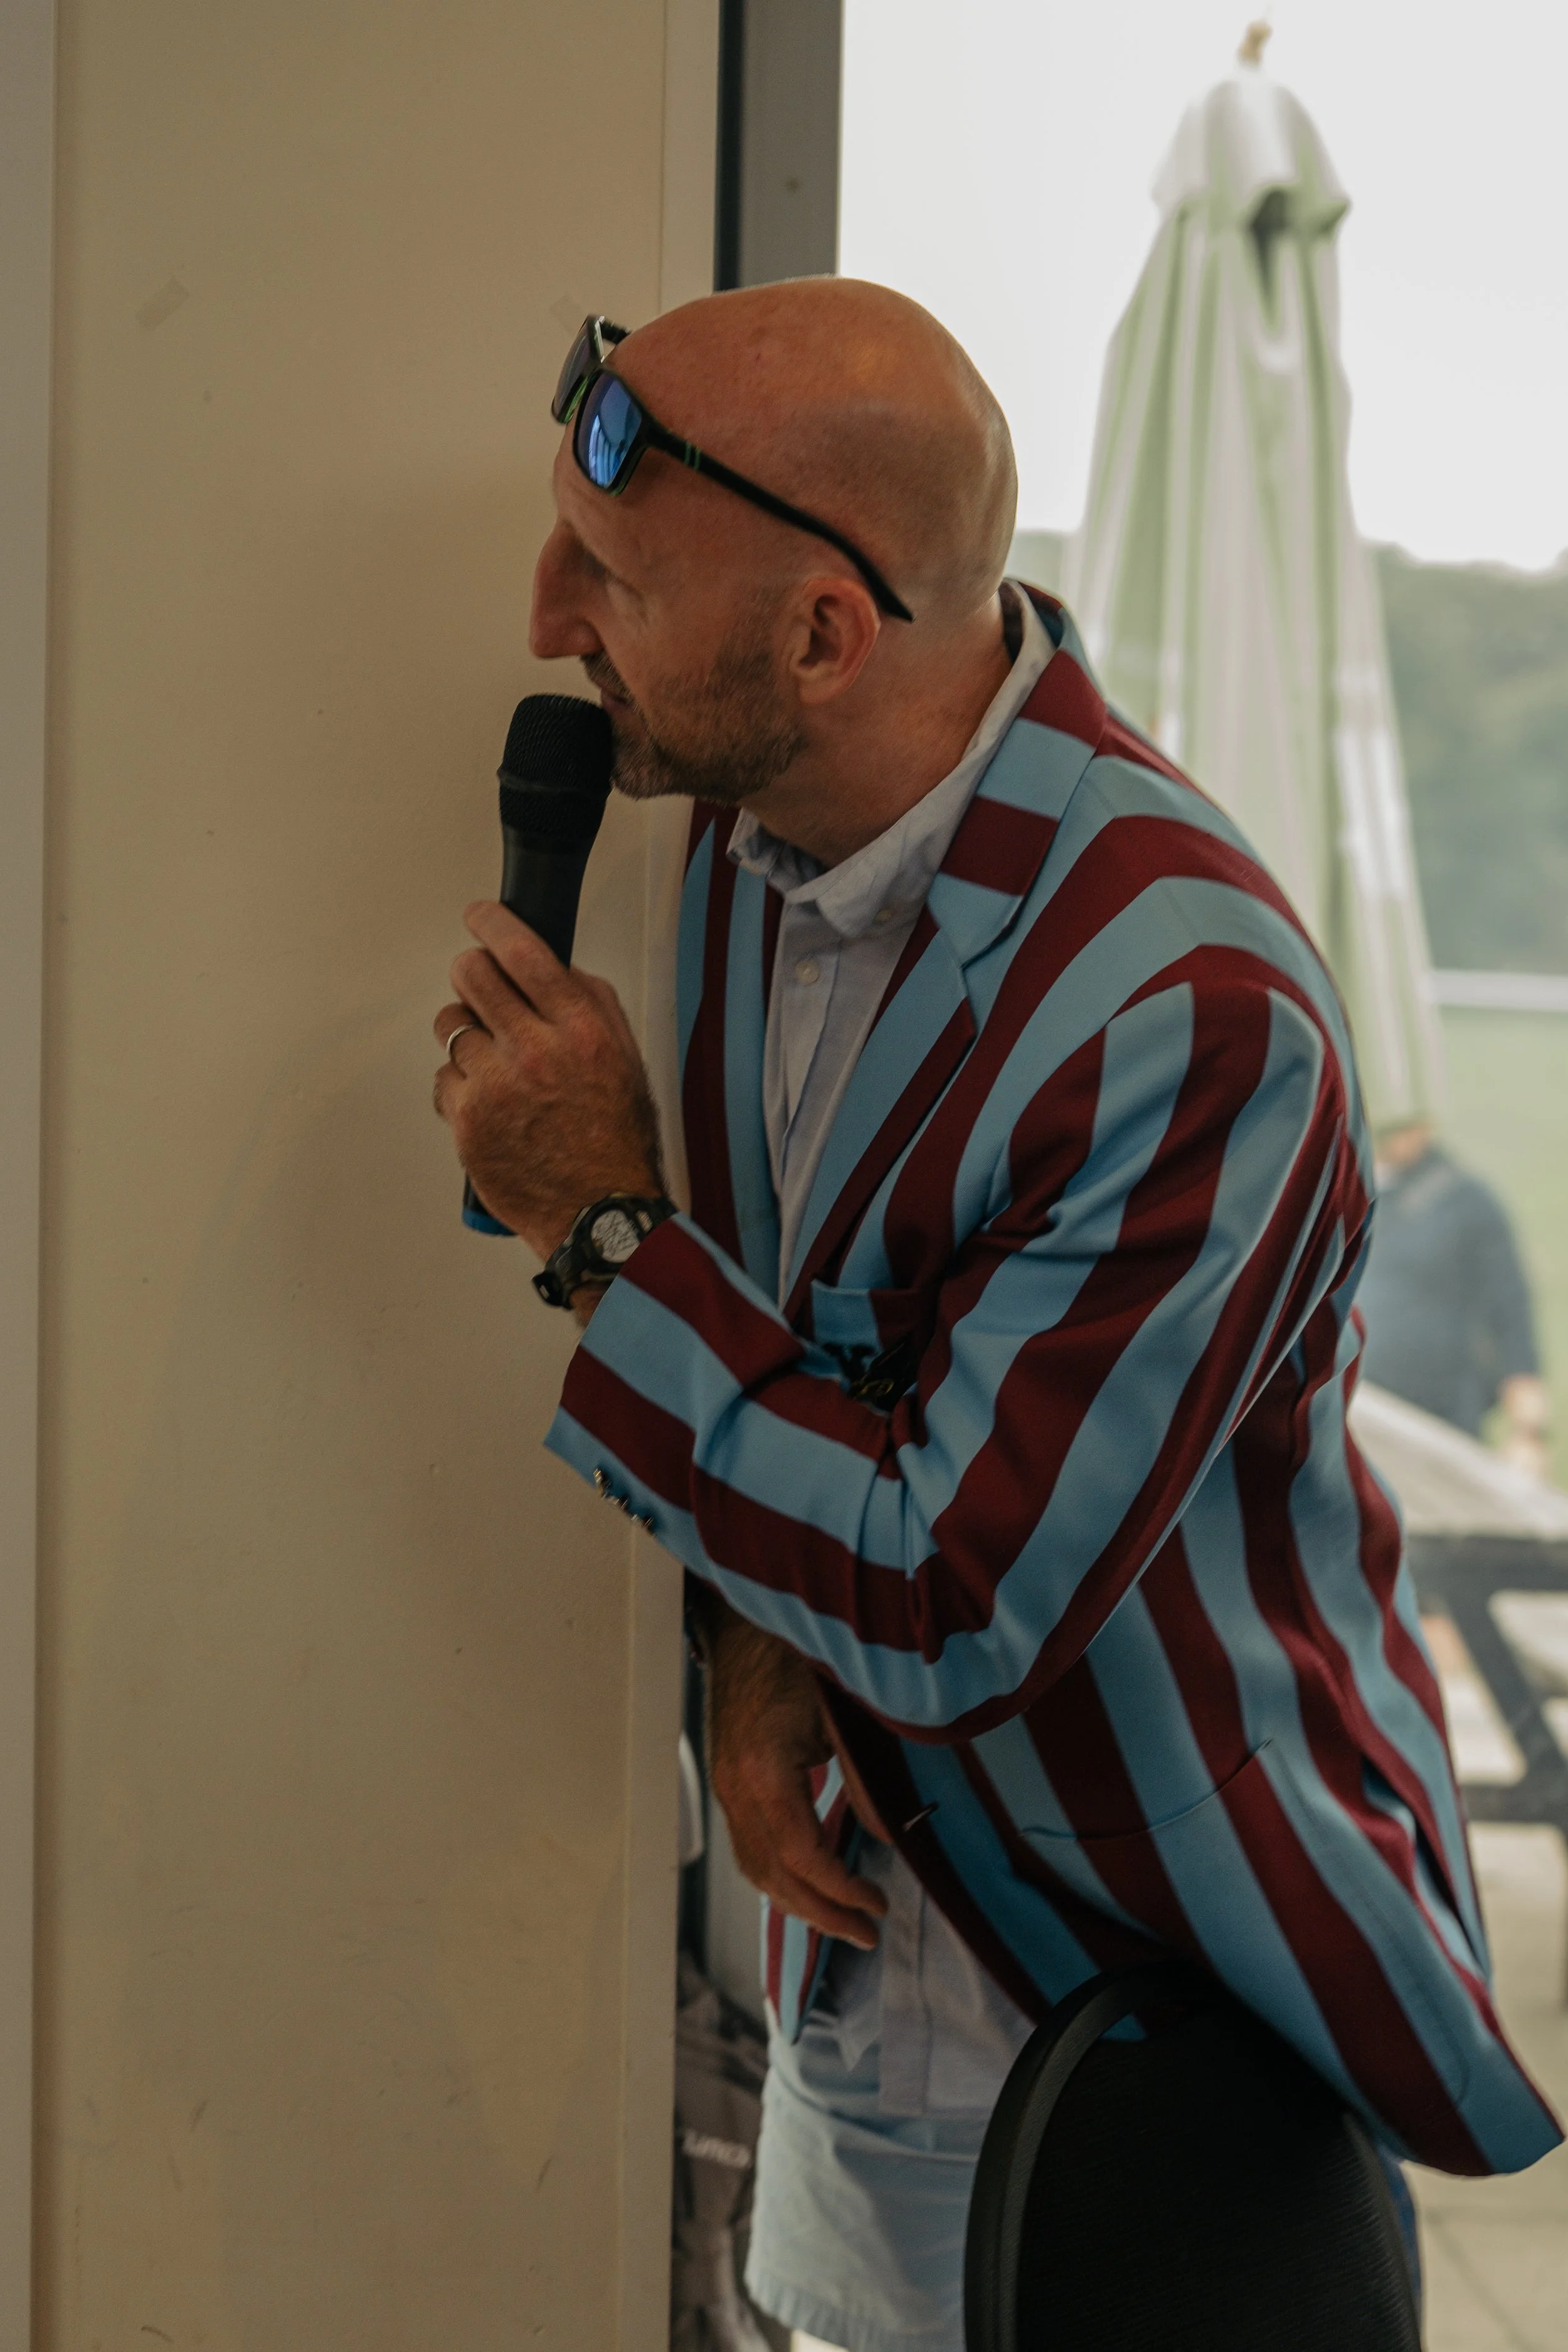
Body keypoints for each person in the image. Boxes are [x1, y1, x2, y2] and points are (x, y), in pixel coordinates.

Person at [431, 280, 1560, 2351]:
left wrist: (601, 1230)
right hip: (862, 1996)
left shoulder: (1186, 1008)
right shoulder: (747, 842)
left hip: (1151, 2004)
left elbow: (952, 1590)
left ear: (822, 637)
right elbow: (815, 1337)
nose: (540, 618)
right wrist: (756, 1645)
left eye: (610, 576)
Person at [1359, 1120, 1550, 1477]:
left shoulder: (1465, 1200)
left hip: (1445, 1416)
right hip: (1362, 1413)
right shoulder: (1345, 1191)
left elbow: (1510, 1312)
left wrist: (1528, 1433)